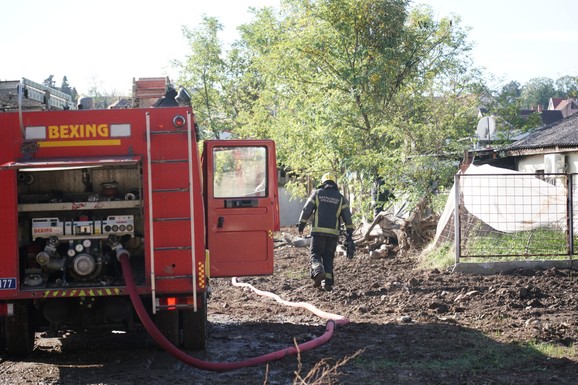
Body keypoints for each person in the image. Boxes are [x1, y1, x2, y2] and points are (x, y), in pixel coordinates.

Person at [297, 173, 354, 291]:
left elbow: (307, 209)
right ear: (334, 183)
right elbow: (347, 217)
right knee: (328, 257)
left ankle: (318, 271)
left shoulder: (317, 193)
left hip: (318, 232)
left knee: (315, 254)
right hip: (333, 234)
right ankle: (327, 283)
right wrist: (349, 234)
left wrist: (301, 224)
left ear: (323, 182)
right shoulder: (341, 198)